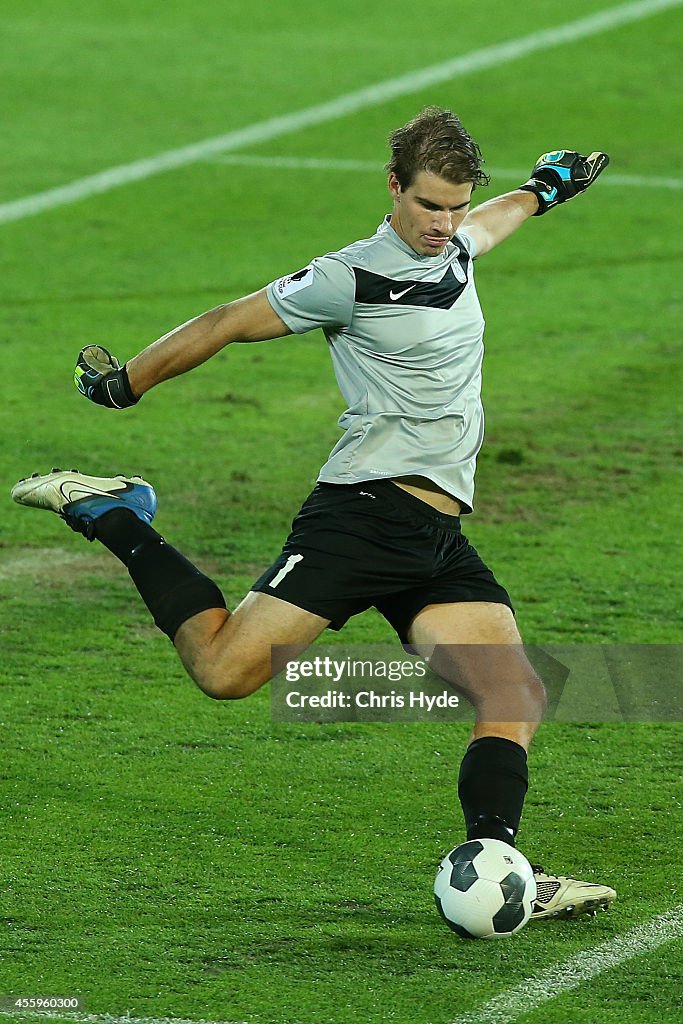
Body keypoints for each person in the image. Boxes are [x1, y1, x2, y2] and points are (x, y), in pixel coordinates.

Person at [12, 107, 615, 921]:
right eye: (429, 205)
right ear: (393, 186)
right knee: (225, 673)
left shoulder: (458, 246)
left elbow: (496, 220)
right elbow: (225, 323)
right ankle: (116, 514)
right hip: (365, 515)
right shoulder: (348, 275)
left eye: (454, 205)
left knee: (514, 694)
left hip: (431, 535)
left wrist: (548, 188)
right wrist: (127, 383)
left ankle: (499, 863)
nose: (443, 223)